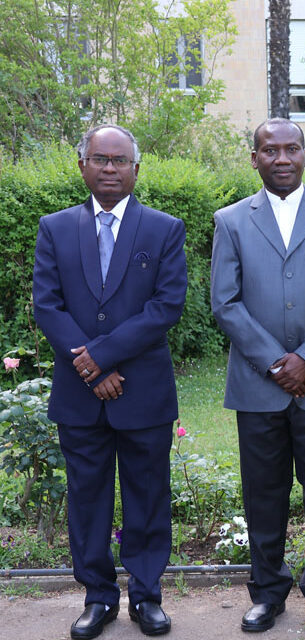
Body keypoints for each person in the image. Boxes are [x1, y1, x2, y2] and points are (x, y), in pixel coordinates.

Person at [33, 124, 187, 639]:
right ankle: (97, 598)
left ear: (136, 169)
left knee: (148, 497)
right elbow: (47, 305)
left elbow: (166, 306)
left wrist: (99, 357)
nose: (109, 169)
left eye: (120, 161)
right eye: (99, 159)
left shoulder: (164, 229)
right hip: (80, 397)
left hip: (143, 392)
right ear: (82, 165)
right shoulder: (55, 228)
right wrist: (91, 368)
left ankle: (146, 596)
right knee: (87, 500)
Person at [210, 118, 305, 633]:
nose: (281, 158)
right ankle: (268, 591)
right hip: (258, 388)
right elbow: (225, 303)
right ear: (254, 158)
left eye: (291, 149)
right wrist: (278, 363)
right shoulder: (231, 221)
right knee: (263, 494)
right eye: (270, 150)